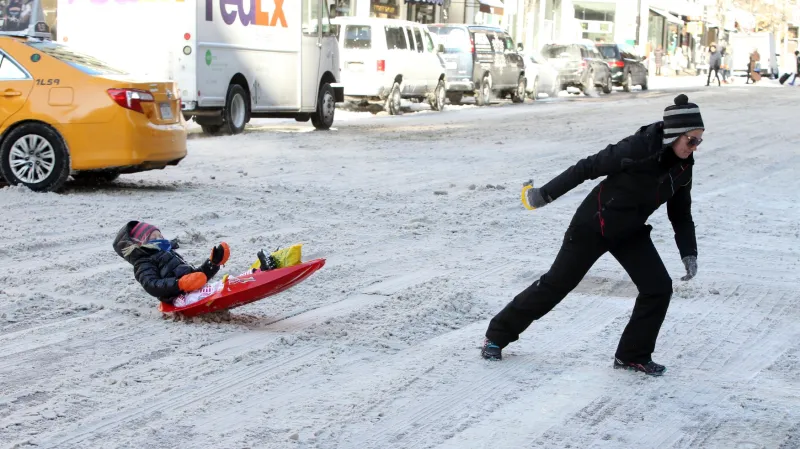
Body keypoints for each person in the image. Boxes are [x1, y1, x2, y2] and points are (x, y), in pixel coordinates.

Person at [482, 94, 704, 377]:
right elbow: (587, 167)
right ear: (674, 134)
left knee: (658, 287)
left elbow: (681, 214)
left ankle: (632, 356)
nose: (695, 147)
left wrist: (689, 251)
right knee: (556, 284)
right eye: (691, 140)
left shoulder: (684, 166)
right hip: (594, 223)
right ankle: (497, 335)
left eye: (699, 141)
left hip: (630, 230)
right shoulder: (638, 148)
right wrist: (543, 195)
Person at [113, 221, 302, 306]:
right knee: (222, 288)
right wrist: (179, 284)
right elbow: (152, 286)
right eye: (153, 237)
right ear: (140, 244)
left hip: (190, 293)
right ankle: (259, 271)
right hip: (178, 300)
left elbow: (196, 278)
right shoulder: (143, 263)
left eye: (160, 234)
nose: (160, 238)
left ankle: (261, 270)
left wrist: (212, 263)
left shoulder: (168, 254)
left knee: (219, 286)